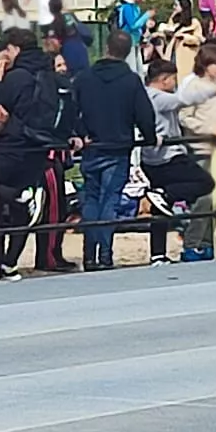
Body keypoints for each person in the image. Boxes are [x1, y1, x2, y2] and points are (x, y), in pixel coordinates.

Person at [0, 27, 73, 279]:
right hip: (40, 147)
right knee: (19, 210)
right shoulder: (48, 73)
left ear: (16, 49)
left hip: (13, 145)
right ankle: (9, 262)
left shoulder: (16, 76)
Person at [72, 31, 156, 271]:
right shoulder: (130, 80)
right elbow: (144, 115)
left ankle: (89, 254)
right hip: (119, 147)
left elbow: (71, 108)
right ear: (128, 51)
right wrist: (149, 138)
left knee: (91, 198)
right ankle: (105, 254)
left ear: (106, 47)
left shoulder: (85, 77)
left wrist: (80, 132)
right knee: (110, 199)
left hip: (92, 146)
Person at [140, 59, 216, 263]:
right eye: (173, 79)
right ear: (164, 79)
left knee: (161, 208)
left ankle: (158, 254)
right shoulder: (157, 97)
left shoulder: (140, 96)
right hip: (168, 157)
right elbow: (183, 100)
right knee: (205, 182)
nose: (175, 83)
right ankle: (165, 194)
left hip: (150, 160)